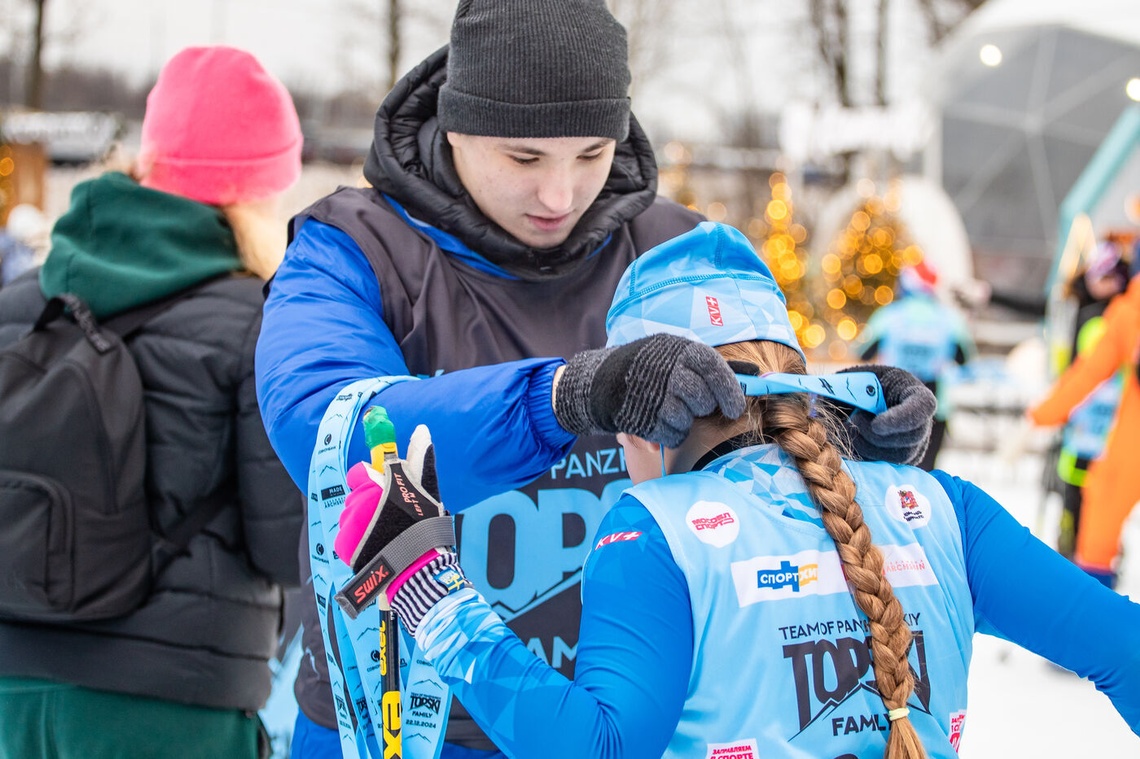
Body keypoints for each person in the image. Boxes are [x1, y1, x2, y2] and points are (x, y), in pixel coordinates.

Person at [254, 1, 935, 755]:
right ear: (455, 124)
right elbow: (330, 433)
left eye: (590, 154)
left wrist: (844, 420)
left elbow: (754, 436)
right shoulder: (353, 249)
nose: (560, 194)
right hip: (402, 728)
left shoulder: (674, 250)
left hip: (630, 722)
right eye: (524, 158)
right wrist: (564, 396)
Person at [338, 222, 1140, 759]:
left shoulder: (656, 532)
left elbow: (600, 747)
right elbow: (1125, 648)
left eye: (618, 422)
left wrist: (431, 597)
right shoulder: (938, 506)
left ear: (650, 409)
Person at [0, 45, 304, 758]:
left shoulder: (18, 305)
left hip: (10, 690)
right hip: (171, 700)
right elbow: (285, 544)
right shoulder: (257, 320)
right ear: (257, 192)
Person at [1028, 258, 1140, 588]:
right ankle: (1094, 609)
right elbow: (1088, 373)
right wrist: (1041, 415)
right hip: (1121, 444)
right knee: (1096, 532)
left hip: (1121, 443)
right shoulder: (1128, 312)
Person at [856, 259, 974, 470]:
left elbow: (863, 353)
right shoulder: (950, 319)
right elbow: (964, 358)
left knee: (890, 469)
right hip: (935, 404)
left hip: (892, 401)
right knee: (926, 470)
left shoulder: (889, 315)